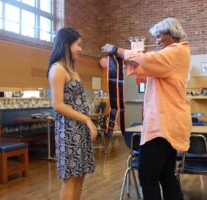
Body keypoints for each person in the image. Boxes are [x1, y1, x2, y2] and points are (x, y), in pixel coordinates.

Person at [102, 17, 191, 200]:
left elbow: (146, 60)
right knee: (166, 175)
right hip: (166, 123)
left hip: (163, 125)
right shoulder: (170, 57)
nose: (157, 40)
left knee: (147, 176)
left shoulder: (175, 52)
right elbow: (143, 65)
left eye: (159, 36)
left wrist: (117, 50)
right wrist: (125, 59)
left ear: (171, 34)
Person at [47, 27, 97, 200]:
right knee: (70, 179)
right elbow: (58, 105)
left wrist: (86, 122)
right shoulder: (57, 69)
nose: (81, 49)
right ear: (67, 44)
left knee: (80, 175)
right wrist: (86, 119)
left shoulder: (72, 70)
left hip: (80, 130)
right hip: (68, 132)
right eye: (78, 45)